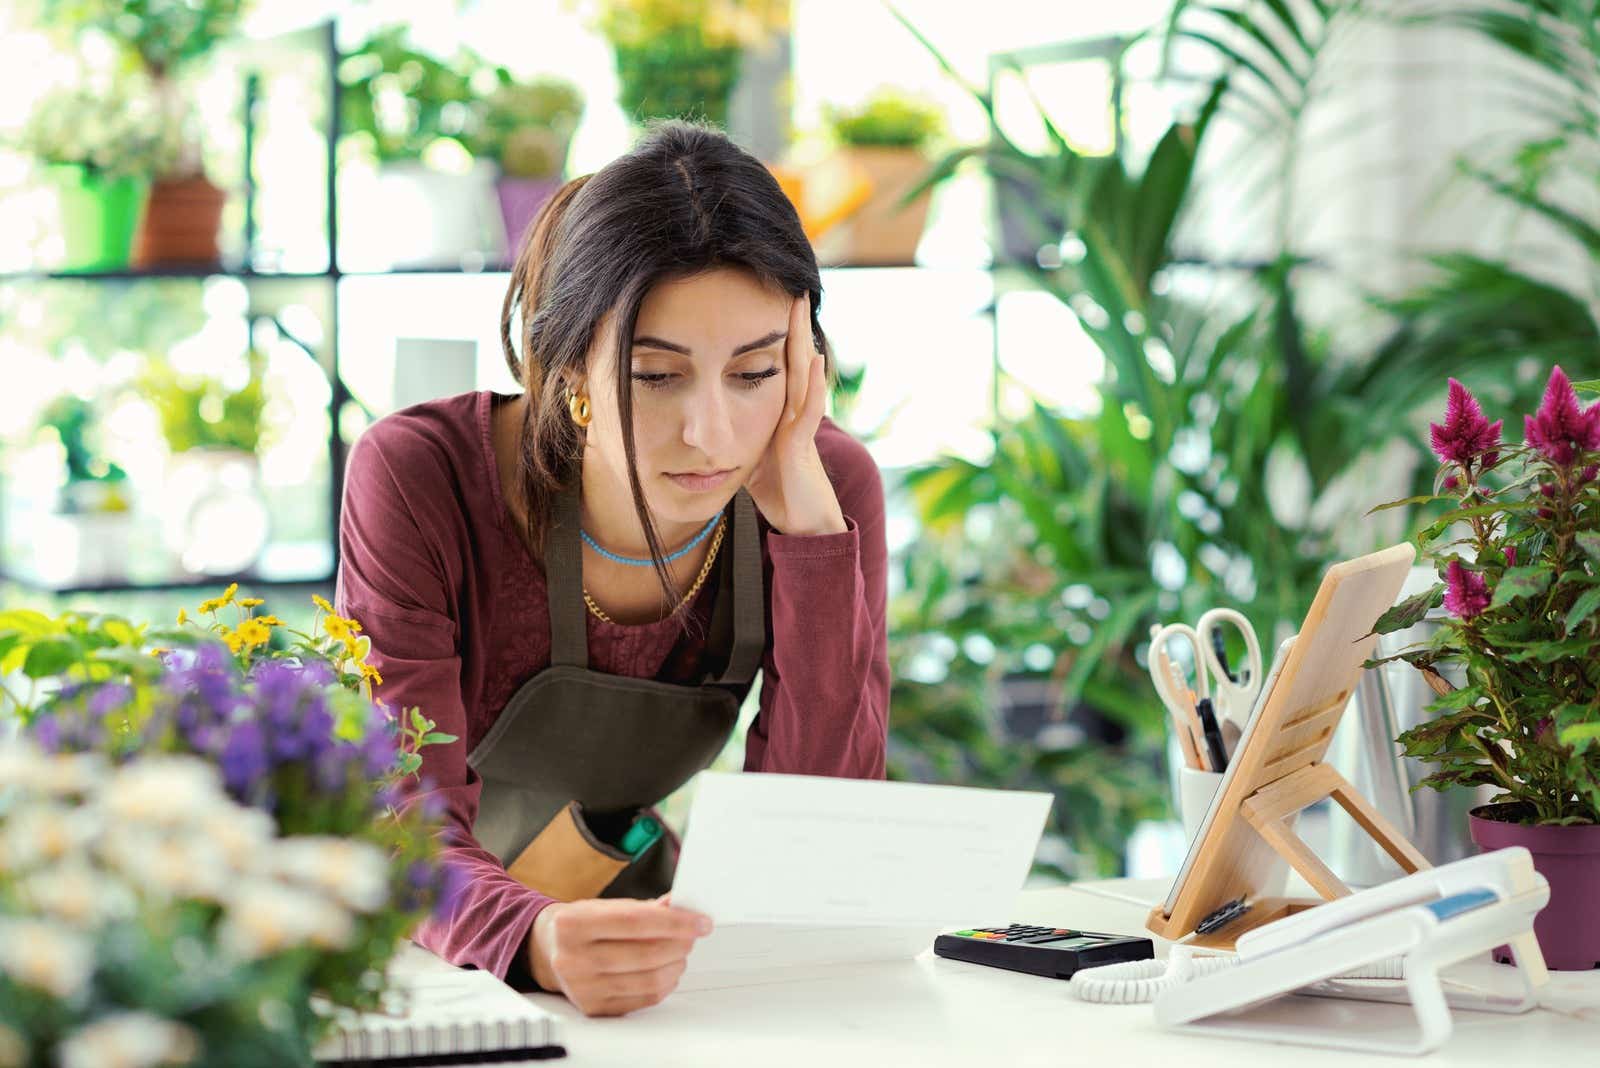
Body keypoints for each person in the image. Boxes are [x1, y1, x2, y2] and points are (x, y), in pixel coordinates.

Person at [334, 120, 890, 1018]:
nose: (710, 434)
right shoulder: (421, 478)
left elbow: (816, 841)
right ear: (571, 371)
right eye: (654, 375)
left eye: (754, 374)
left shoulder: (820, 489)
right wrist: (532, 937)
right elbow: (400, 810)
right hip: (426, 954)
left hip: (631, 952)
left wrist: (816, 543)